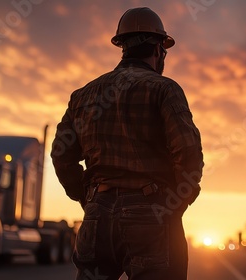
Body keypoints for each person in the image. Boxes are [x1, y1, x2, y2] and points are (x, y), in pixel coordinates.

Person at [51, 7, 203, 280]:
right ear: (158, 49)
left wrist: (90, 199)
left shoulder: (83, 96)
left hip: (97, 215)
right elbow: (189, 152)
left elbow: (61, 154)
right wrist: (175, 203)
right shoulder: (164, 89)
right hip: (151, 213)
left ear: (122, 47)